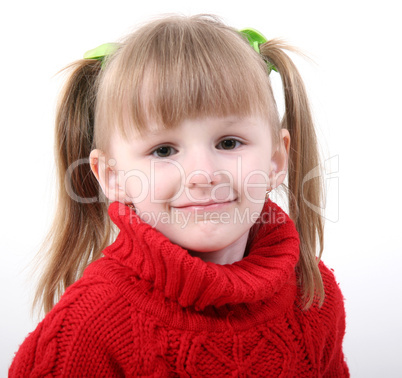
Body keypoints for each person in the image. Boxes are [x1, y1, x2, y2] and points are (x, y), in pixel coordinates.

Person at [9, 15, 349, 376]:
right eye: (163, 150)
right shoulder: (87, 330)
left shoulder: (314, 295)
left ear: (276, 160)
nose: (202, 174)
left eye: (229, 142)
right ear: (113, 176)